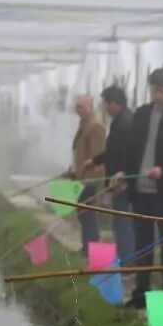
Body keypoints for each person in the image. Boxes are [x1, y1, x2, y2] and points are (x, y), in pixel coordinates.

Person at [121, 68, 163, 304]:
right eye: (154, 90)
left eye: (162, 90)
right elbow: (132, 149)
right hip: (140, 190)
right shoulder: (141, 114)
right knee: (143, 243)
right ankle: (141, 292)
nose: (157, 95)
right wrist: (125, 174)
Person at [99, 85, 137, 266]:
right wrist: (96, 160)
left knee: (123, 225)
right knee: (120, 224)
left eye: (106, 104)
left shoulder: (125, 123)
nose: (105, 108)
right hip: (118, 181)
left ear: (115, 103)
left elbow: (124, 154)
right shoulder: (120, 120)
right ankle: (125, 261)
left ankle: (128, 265)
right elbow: (112, 151)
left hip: (121, 183)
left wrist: (123, 179)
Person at [68, 94, 106, 252]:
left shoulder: (96, 126)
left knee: (88, 214)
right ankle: (86, 247)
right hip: (81, 177)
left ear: (91, 107)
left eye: (82, 107)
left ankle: (93, 248)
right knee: (83, 213)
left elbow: (99, 155)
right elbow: (80, 151)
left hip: (91, 178)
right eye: (77, 107)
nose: (79, 110)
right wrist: (74, 170)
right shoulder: (83, 125)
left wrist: (92, 177)